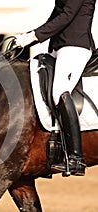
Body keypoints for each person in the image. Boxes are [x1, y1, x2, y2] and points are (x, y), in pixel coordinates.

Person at [15, 0, 96, 176]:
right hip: (58, 47)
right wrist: (30, 37)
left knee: (59, 92)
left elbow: (67, 15)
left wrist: (36, 36)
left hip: (76, 46)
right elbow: (56, 14)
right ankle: (50, 148)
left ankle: (76, 158)